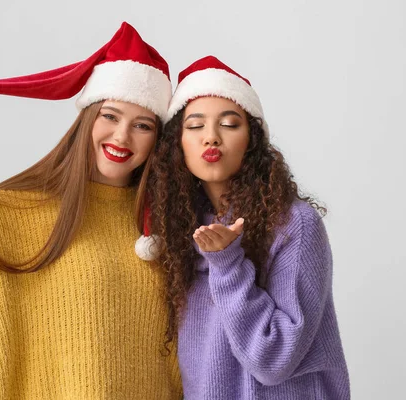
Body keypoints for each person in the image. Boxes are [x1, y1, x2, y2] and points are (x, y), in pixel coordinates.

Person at [0, 22, 182, 399]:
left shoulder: (164, 230)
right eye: (109, 116)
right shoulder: (16, 213)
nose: (122, 136)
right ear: (86, 119)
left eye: (142, 125)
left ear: (157, 138)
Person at [147, 56, 350, 399]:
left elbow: (274, 358)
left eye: (229, 124)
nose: (211, 138)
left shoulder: (293, 224)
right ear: (176, 144)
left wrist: (227, 263)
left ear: (252, 140)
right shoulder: (179, 229)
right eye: (195, 126)